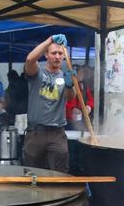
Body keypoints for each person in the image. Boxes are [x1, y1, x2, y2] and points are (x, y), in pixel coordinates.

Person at [22, 34, 76, 173]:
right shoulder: (37, 72)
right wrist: (50, 40)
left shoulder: (65, 76)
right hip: (35, 133)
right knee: (32, 175)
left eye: (60, 53)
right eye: (53, 53)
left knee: (61, 175)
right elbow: (29, 59)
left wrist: (70, 86)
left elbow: (71, 98)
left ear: (64, 56)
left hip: (57, 133)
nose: (57, 56)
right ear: (46, 54)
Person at [65, 66, 94, 131]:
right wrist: (72, 109)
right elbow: (65, 102)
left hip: (82, 118)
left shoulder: (84, 86)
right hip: (69, 119)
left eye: (83, 73)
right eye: (80, 73)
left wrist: (88, 107)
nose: (82, 75)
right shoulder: (68, 85)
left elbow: (91, 100)